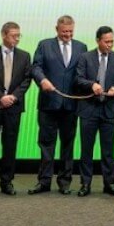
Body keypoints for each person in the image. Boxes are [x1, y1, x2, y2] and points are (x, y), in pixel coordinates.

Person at [28, 15, 87, 195]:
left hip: (71, 104)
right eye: (64, 32)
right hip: (48, 104)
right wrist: (42, 80)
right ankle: (44, 181)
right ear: (57, 29)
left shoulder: (81, 47)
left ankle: (65, 181)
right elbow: (35, 67)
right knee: (46, 144)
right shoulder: (44, 45)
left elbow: (83, 72)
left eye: (70, 31)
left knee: (68, 144)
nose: (68, 35)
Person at [0, 21, 32, 196]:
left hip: (14, 107)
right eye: (13, 35)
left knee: (10, 145)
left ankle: (7, 181)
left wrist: (13, 97)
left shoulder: (25, 56)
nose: (17, 39)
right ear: (3, 35)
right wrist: (0, 97)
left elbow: (26, 80)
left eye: (19, 35)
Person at [75, 26, 114, 197]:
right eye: (107, 42)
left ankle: (109, 183)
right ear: (98, 41)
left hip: (109, 110)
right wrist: (92, 85)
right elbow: (78, 79)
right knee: (86, 149)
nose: (110, 45)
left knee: (108, 149)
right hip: (88, 110)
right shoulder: (85, 57)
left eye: (112, 41)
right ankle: (85, 184)